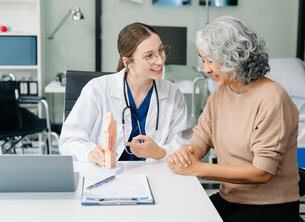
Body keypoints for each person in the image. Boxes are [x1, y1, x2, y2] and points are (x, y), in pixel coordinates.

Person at [167, 16, 300, 221]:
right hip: (230, 199)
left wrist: (199, 168)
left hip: (272, 206)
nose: (206, 69)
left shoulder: (272, 98)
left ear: (235, 57)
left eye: (212, 60)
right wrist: (188, 154)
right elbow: (201, 139)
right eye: (203, 60)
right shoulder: (219, 95)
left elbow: (262, 172)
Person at [59, 22, 189, 165]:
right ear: (127, 62)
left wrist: (160, 153)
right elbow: (69, 140)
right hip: (107, 174)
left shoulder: (173, 94)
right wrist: (89, 153)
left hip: (155, 175)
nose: (159, 60)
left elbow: (183, 147)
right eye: (149, 56)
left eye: (161, 50)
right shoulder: (98, 89)